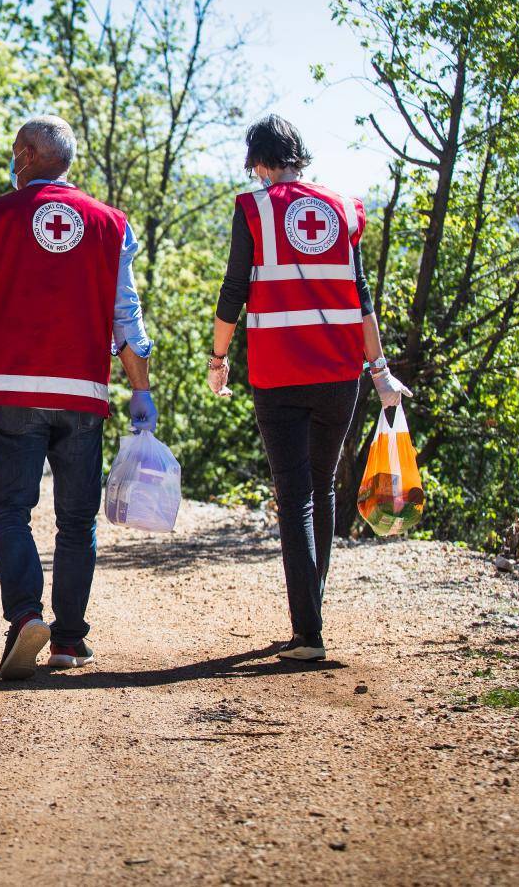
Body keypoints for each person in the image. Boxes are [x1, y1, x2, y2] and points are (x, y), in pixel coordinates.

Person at [0, 115, 155, 681]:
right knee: (76, 519)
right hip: (83, 394)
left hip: (13, 389)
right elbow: (127, 319)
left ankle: (24, 618)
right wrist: (141, 391)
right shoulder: (112, 225)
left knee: (11, 510)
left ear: (25, 154)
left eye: (16, 153)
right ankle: (67, 641)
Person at [207, 114, 411, 662]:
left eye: (253, 165)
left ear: (260, 160)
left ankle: (307, 634)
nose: (252, 175)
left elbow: (234, 290)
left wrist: (218, 357)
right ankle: (312, 611)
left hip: (278, 372)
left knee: (294, 493)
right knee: (319, 486)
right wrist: (380, 369)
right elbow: (361, 295)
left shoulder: (254, 208)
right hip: (341, 371)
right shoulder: (344, 207)